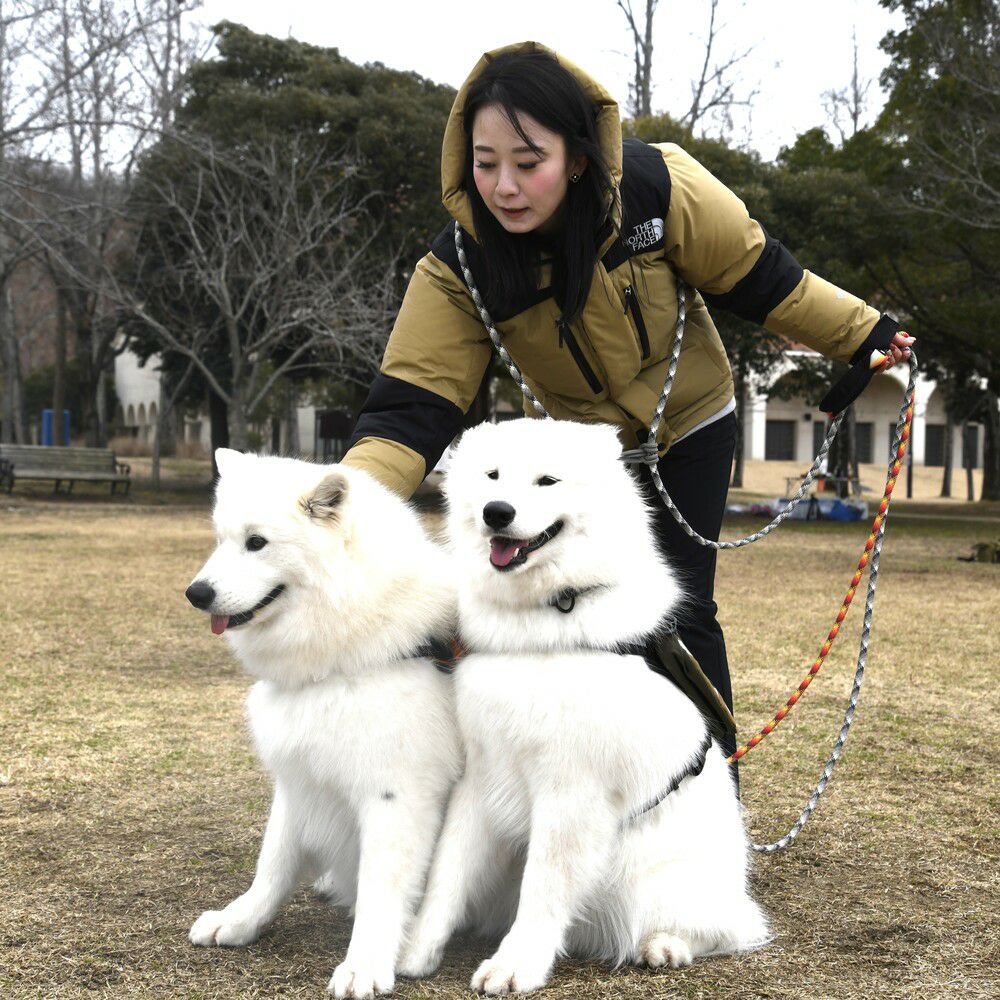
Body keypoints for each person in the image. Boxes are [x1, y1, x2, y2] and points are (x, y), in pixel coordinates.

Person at [341, 42, 913, 765]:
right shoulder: (460, 265)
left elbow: (764, 278)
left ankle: (706, 789)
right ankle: (599, 783)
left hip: (692, 423)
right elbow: (408, 411)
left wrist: (867, 333)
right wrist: (334, 510)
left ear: (577, 157)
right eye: (485, 164)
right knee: (579, 617)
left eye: (528, 162)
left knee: (678, 612)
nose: (504, 187)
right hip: (583, 460)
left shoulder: (658, 187)